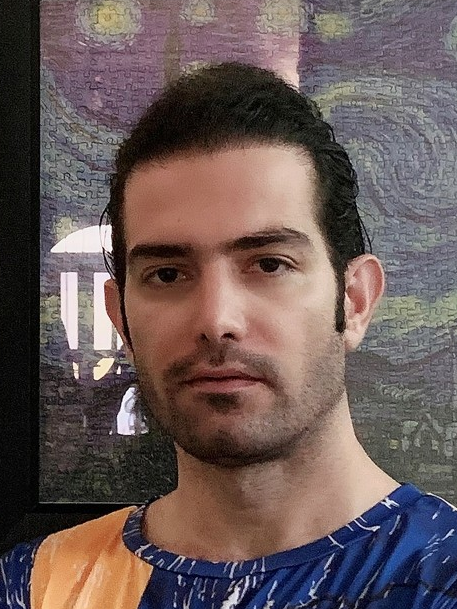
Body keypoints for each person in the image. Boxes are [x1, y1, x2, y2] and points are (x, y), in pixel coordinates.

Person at [1, 62, 456, 609]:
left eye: (269, 264)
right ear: (121, 318)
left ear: (354, 301)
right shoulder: (34, 587)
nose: (217, 320)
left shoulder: (440, 575)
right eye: (167, 274)